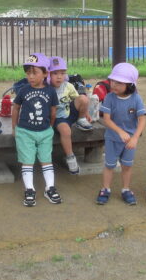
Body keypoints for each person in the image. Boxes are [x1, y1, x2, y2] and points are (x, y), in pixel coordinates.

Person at [12, 53, 60, 206]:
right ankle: (29, 189)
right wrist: (15, 127)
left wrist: (50, 128)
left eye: (35, 72)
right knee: (27, 162)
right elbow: (16, 108)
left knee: (47, 161)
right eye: (28, 73)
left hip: (45, 132)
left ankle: (50, 188)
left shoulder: (51, 91)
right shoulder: (23, 90)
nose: (30, 76)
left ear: (45, 73)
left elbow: (53, 111)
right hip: (25, 132)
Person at [96, 62, 146, 205]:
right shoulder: (109, 98)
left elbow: (142, 119)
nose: (113, 85)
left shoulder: (136, 98)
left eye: (119, 83)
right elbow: (106, 119)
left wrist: (135, 138)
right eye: (113, 81)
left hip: (130, 141)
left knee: (127, 166)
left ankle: (126, 189)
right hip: (112, 138)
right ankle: (105, 188)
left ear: (130, 85)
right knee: (110, 165)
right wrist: (119, 131)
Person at [48, 55, 92, 175]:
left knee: (83, 98)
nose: (59, 76)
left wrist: (85, 112)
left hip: (70, 112)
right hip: (57, 117)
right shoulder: (46, 88)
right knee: (66, 131)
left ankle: (81, 119)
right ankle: (70, 157)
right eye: (55, 73)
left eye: (62, 73)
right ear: (48, 74)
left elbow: (76, 99)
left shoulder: (68, 86)